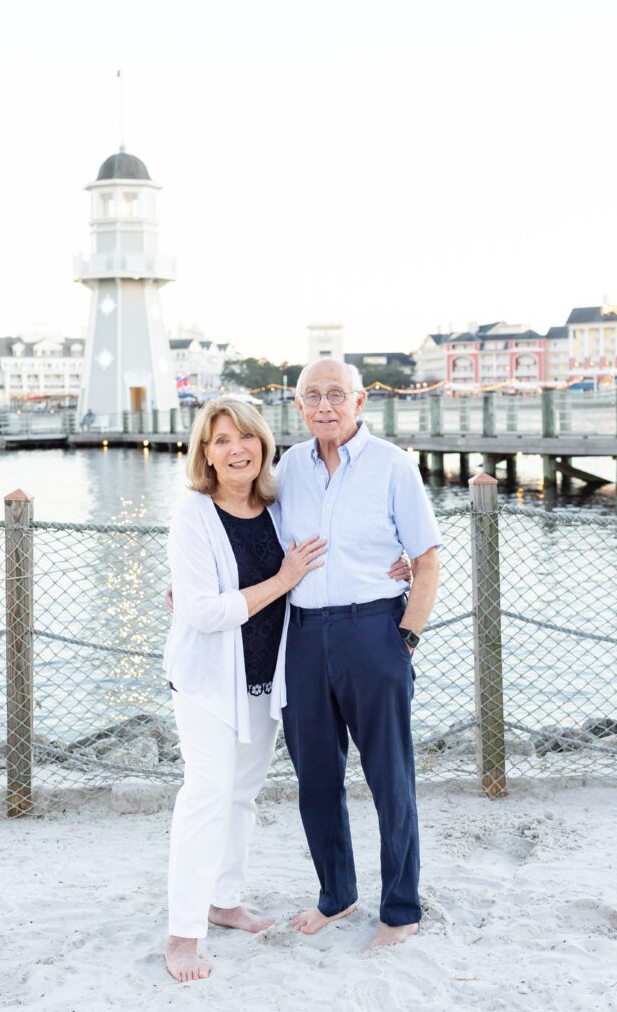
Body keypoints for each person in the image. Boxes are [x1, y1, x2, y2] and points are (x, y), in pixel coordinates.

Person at [162, 397, 411, 982]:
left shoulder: (277, 507)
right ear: (205, 453)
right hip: (207, 681)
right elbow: (204, 611)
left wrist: (394, 563)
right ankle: (182, 935)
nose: (237, 449)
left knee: (241, 795)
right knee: (206, 795)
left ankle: (224, 901)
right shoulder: (194, 513)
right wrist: (282, 578)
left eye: (246, 436)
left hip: (263, 680)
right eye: (222, 440)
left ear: (264, 444)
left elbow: (335, 547)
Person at [274, 358, 442, 950]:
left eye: (335, 395)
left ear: (359, 400)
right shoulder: (288, 468)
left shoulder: (393, 466)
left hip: (374, 633)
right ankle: (337, 895)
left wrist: (405, 640)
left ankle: (400, 909)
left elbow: (425, 560)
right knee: (315, 779)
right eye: (312, 396)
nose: (324, 406)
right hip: (302, 636)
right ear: (299, 405)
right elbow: (253, 536)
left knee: (390, 779)